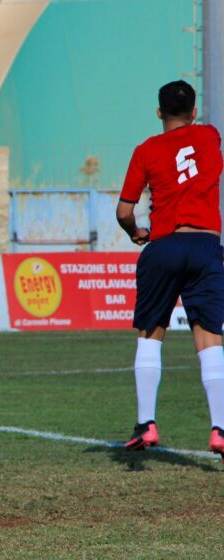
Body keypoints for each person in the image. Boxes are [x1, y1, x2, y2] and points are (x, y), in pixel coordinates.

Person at [117, 80, 224, 457]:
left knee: (151, 333)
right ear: (194, 113)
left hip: (164, 245)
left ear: (158, 112)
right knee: (210, 336)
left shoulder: (146, 150)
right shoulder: (211, 136)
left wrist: (136, 232)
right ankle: (220, 428)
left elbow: (125, 211)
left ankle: (146, 424)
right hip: (206, 246)